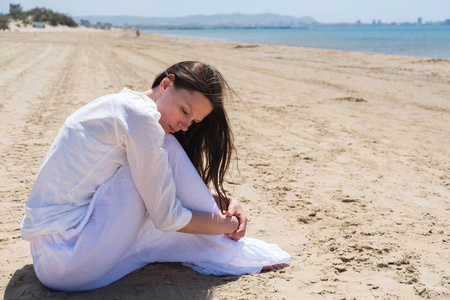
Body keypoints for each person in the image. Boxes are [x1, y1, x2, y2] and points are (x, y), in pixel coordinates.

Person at [20, 61, 291, 292]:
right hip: (68, 257)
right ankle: (228, 250)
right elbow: (167, 216)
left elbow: (149, 176)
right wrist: (228, 226)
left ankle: (218, 243)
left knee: (164, 150)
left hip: (52, 254)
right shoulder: (141, 117)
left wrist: (218, 199)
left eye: (193, 121)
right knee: (168, 147)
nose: (185, 126)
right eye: (185, 111)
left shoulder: (123, 106)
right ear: (166, 84)